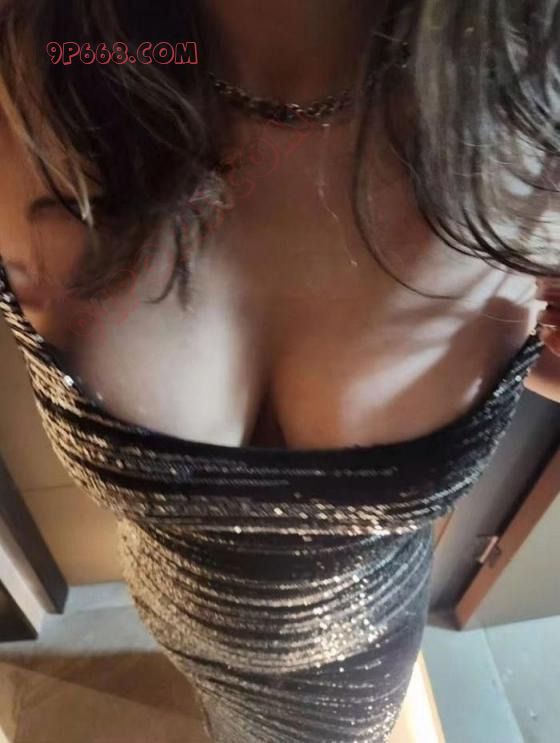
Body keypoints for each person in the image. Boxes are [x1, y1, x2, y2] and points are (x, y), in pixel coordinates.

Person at [0, 1, 559, 741]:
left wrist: (522, 363)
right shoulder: (33, 82)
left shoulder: (538, 127)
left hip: (360, 650)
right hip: (186, 619)